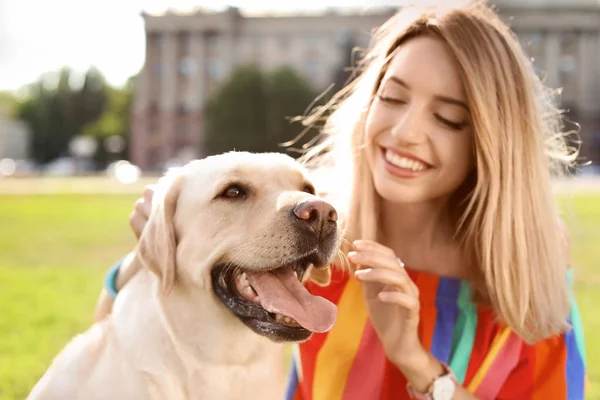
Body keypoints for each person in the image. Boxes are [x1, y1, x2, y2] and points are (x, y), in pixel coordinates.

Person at [111, 1, 588, 399]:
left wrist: (418, 366)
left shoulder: (527, 258)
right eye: (393, 97)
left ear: (492, 141)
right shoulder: (306, 235)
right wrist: (152, 249)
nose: (404, 133)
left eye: (448, 119)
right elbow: (114, 350)